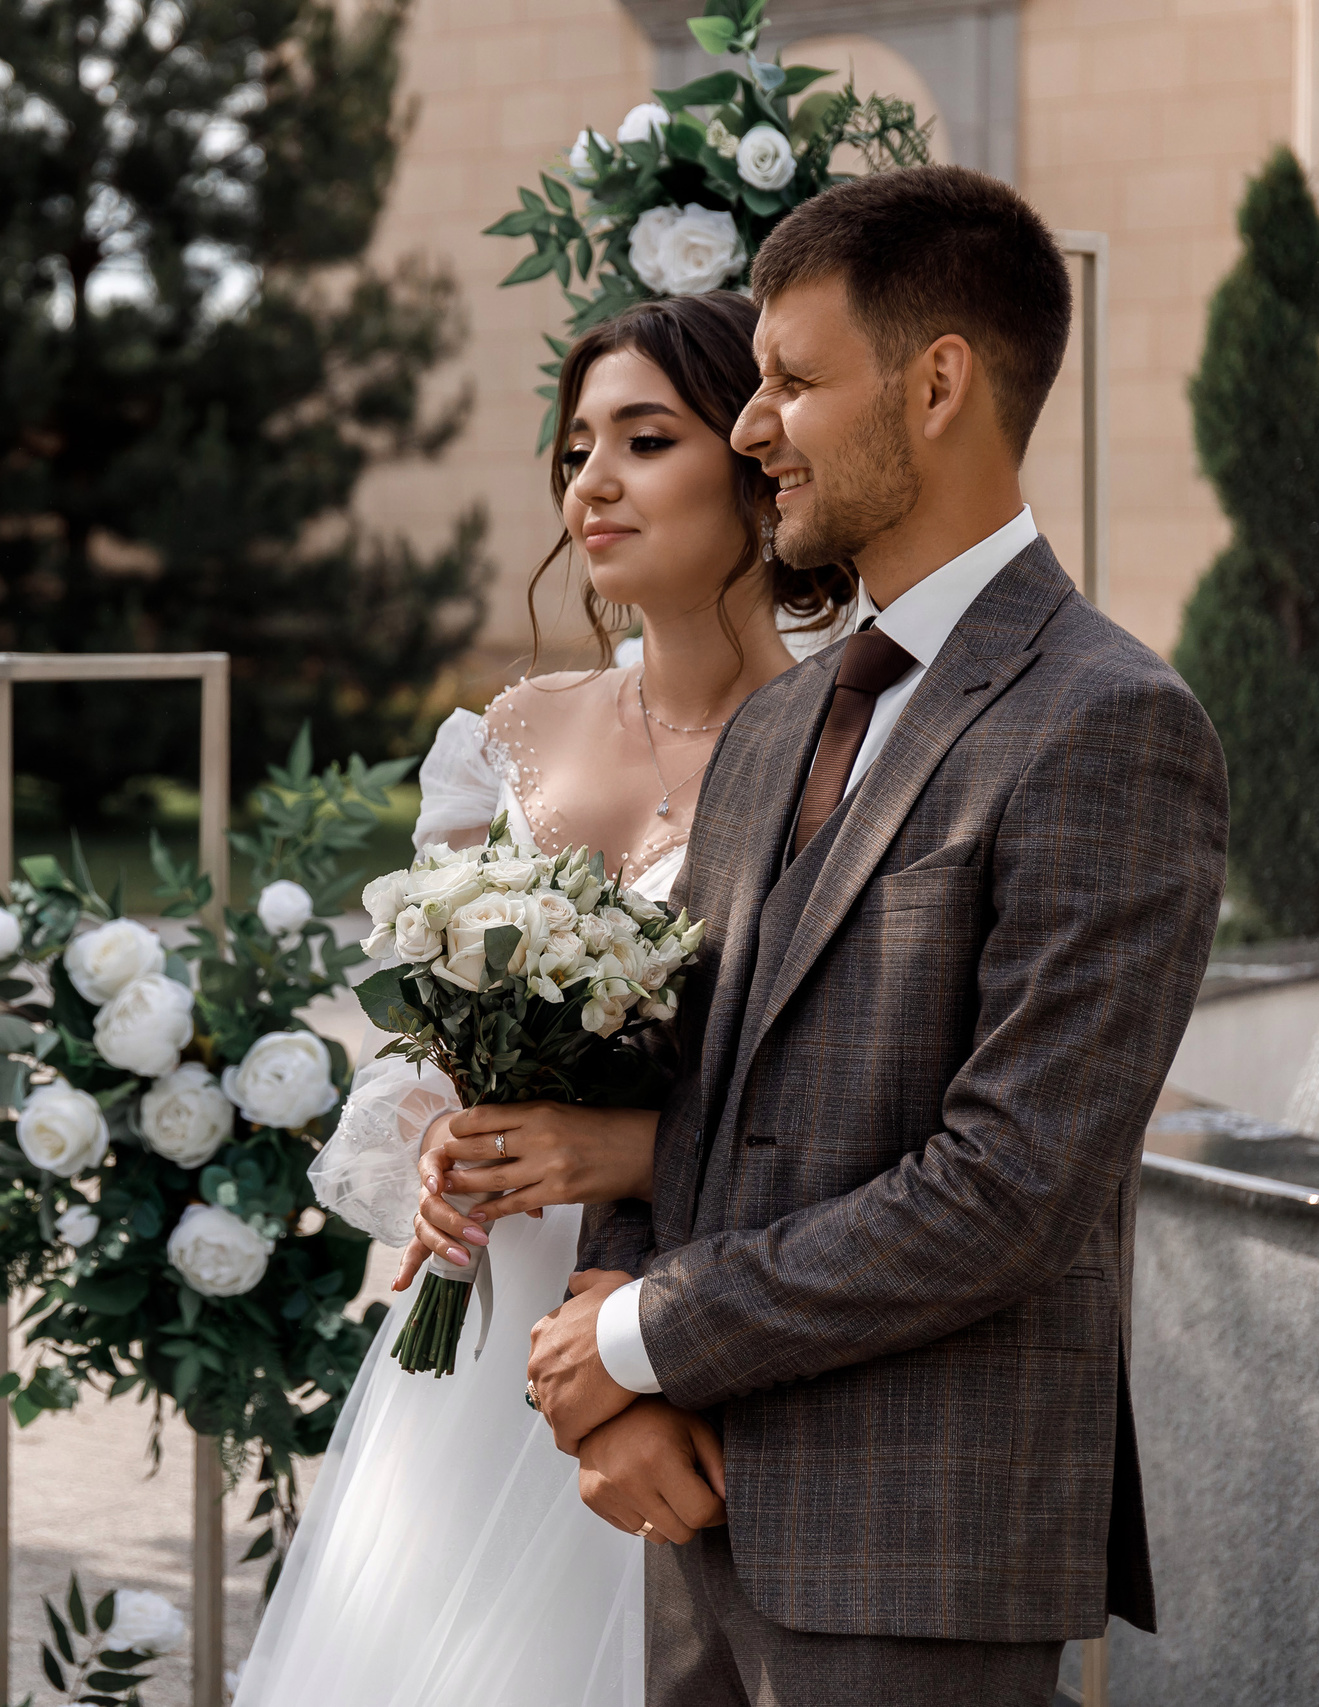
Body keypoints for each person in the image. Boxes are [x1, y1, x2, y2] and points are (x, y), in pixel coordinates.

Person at [501, 166, 1229, 1705]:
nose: (752, 426)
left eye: (790, 381)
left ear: (941, 381)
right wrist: (613, 1387)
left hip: (918, 1554)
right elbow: (677, 1091)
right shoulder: (778, 726)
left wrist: (644, 1335)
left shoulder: (1111, 724)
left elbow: (1009, 1189)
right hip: (693, 1515)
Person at [232, 290, 853, 1707]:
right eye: (576, 449)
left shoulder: (849, 753)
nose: (594, 483)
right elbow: (419, 1042)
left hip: (705, 1307)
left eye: (646, 438)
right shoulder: (506, 739)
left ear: (760, 464)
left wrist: (630, 1153)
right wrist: (434, 1149)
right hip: (490, 1304)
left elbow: (843, 1081)